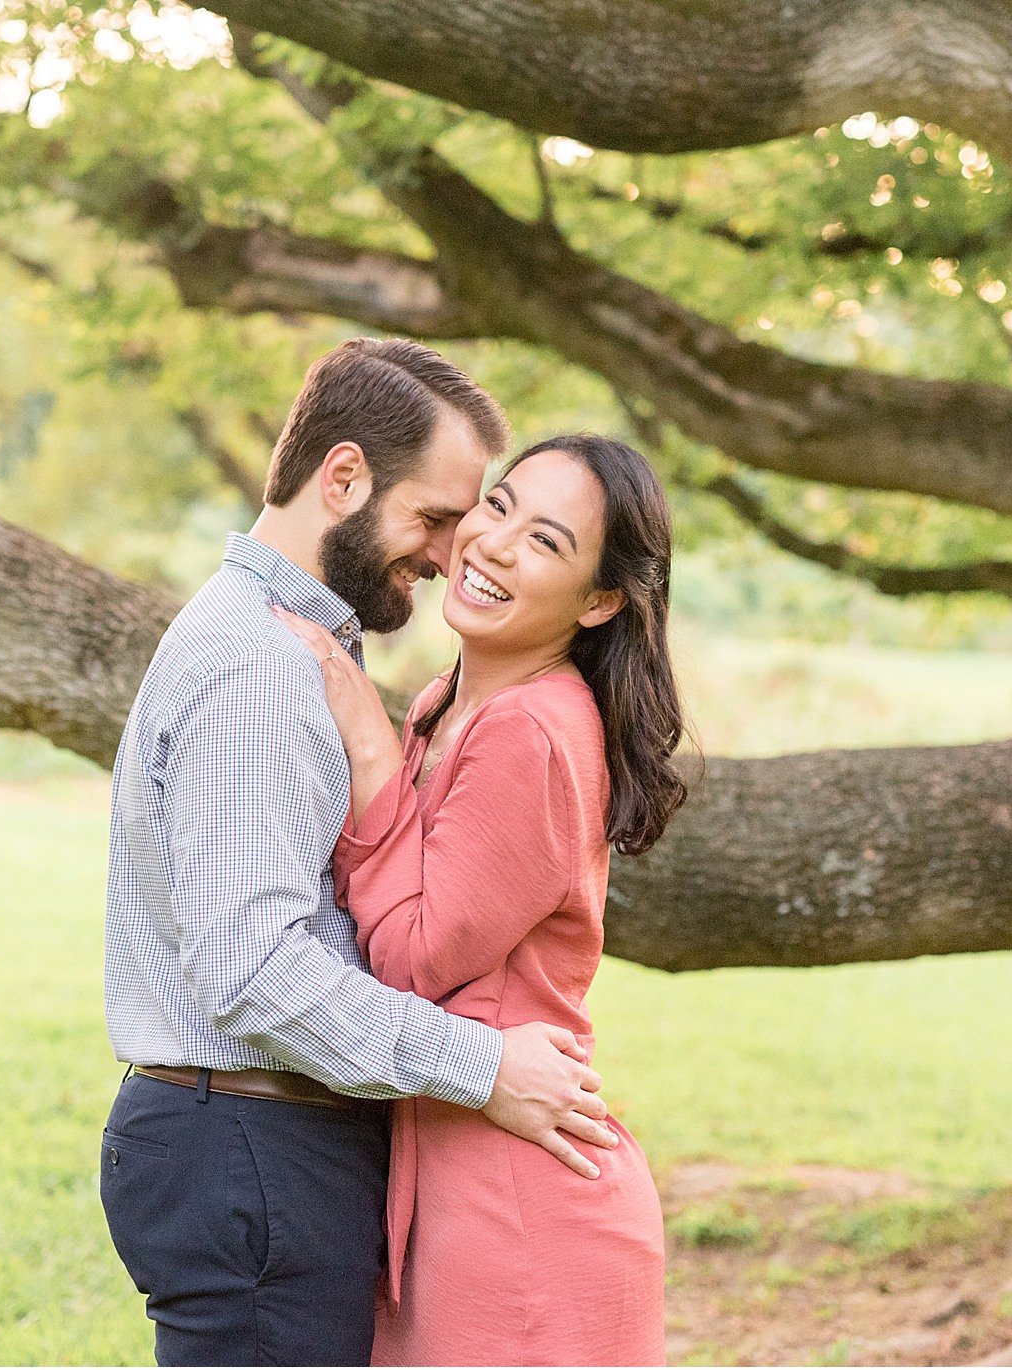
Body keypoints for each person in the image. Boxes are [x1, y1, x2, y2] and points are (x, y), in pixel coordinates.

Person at [99, 341, 621, 1367]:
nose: (445, 552)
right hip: (248, 1145)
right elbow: (252, 970)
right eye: (434, 516)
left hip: (251, 1142)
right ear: (342, 476)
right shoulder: (260, 666)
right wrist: (482, 1064)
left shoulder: (298, 646)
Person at [274, 432, 687, 1366]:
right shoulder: (444, 705)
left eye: (547, 541)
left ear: (601, 601)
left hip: (519, 1209)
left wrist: (370, 753)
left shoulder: (532, 730)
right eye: (498, 507)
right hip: (452, 1173)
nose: (495, 545)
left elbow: (413, 960)